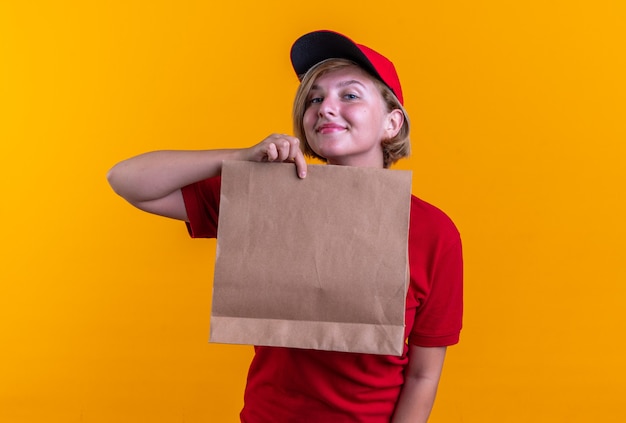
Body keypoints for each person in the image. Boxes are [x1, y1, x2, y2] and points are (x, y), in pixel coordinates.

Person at [108, 30, 463, 423]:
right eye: (314, 98)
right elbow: (127, 180)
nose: (326, 107)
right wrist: (240, 159)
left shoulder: (434, 232)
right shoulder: (269, 199)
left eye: (349, 95)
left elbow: (423, 374)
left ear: (392, 123)